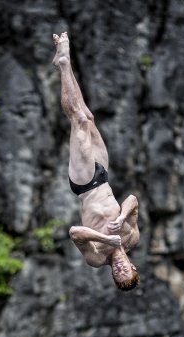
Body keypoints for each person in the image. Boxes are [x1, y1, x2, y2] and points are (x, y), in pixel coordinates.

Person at [53, 32, 140, 291]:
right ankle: (61, 60)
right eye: (124, 270)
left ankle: (64, 61)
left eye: (117, 274)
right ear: (132, 266)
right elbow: (133, 200)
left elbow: (74, 233)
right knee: (87, 116)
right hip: (104, 174)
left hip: (85, 185)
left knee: (78, 120)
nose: (119, 269)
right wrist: (123, 217)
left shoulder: (96, 258)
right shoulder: (132, 237)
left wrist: (106, 239)